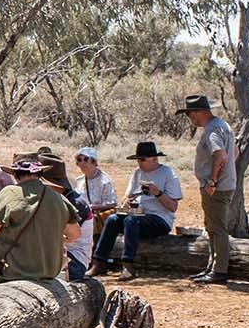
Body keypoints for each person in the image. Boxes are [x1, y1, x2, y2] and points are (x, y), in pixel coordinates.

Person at [0, 153, 82, 296]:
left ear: (15, 174)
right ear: (39, 173)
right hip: (48, 273)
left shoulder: (10, 193)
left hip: (13, 271)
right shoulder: (58, 198)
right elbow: (75, 234)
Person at [89, 141, 181, 277]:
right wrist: (126, 202)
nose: (139, 163)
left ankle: (128, 264)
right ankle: (99, 262)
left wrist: (158, 193)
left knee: (131, 220)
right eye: (138, 159)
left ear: (154, 159)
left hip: (160, 219)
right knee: (112, 220)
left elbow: (173, 207)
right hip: (138, 216)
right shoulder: (137, 173)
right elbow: (127, 196)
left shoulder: (168, 173)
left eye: (142, 159)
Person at [181, 94, 238, 285]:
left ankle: (219, 270)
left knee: (217, 229)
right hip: (224, 184)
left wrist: (213, 181)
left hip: (216, 187)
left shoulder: (212, 129)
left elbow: (221, 155)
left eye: (190, 114)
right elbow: (234, 152)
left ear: (199, 112)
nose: (190, 118)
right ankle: (212, 267)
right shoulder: (223, 125)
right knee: (212, 227)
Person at [70, 147, 118, 281]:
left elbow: (112, 203)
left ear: (94, 161)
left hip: (98, 216)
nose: (82, 163)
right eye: (79, 160)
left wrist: (92, 207)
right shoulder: (78, 181)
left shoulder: (105, 180)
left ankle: (97, 262)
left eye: (86, 159)